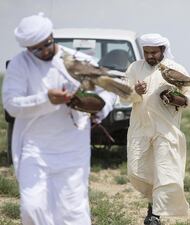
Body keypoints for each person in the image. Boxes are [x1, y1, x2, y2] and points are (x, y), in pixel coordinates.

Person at [2, 13, 116, 225]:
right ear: (27, 48)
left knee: (72, 213)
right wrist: (46, 99)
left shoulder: (76, 60)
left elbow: (107, 92)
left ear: (52, 36)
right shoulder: (20, 65)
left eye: (47, 44)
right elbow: (11, 104)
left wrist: (97, 106)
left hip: (72, 149)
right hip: (35, 148)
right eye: (36, 49)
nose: (44, 51)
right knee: (31, 209)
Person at [123, 33, 190, 225]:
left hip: (166, 130)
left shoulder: (176, 69)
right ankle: (152, 202)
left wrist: (177, 100)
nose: (149, 56)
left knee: (164, 171)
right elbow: (124, 97)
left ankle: (154, 213)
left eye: (153, 52)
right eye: (146, 52)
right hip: (140, 128)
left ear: (163, 50)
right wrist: (135, 92)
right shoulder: (134, 68)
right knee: (136, 171)